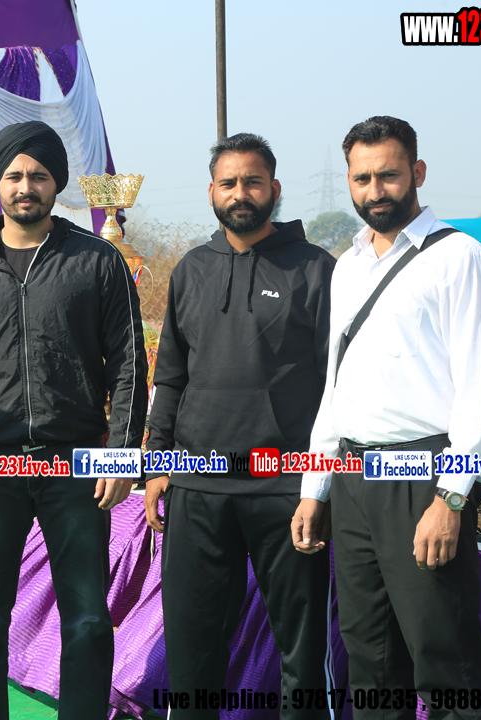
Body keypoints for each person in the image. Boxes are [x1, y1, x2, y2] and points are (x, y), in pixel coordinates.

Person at [0, 120, 148, 720]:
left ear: (56, 184)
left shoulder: (96, 260)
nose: (26, 186)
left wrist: (123, 453)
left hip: (76, 466)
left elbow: (128, 361)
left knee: (88, 618)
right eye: (15, 175)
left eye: (39, 175)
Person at [292, 116, 481, 718]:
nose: (375, 190)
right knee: (370, 660)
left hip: (423, 476)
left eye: (388, 175)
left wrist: (451, 499)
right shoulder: (348, 265)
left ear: (418, 172)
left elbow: (478, 392)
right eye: (362, 178)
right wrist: (315, 488)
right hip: (354, 478)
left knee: (444, 657)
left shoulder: (459, 257)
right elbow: (335, 387)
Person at [143, 133, 335, 719]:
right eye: (228, 183)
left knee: (301, 652)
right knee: (192, 648)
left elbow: (337, 387)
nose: (240, 193)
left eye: (253, 181)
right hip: (197, 485)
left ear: (274, 188)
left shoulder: (317, 269)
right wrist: (157, 463)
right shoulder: (191, 270)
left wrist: (320, 483)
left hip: (286, 487)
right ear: (211, 192)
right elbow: (170, 377)